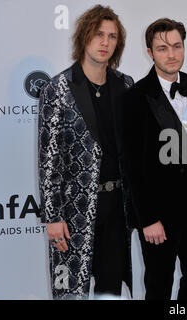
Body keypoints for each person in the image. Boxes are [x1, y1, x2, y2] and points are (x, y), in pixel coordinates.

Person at [38, 5, 134, 299]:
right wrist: (53, 216)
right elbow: (48, 158)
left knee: (110, 293)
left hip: (117, 209)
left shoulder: (125, 85)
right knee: (68, 292)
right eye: (98, 34)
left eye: (112, 36)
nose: (105, 42)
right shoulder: (58, 88)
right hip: (72, 213)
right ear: (84, 37)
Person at [121, 18, 187, 300]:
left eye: (176, 46)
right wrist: (147, 219)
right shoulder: (134, 98)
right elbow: (132, 165)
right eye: (162, 48)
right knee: (159, 284)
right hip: (158, 213)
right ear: (150, 53)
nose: (171, 54)